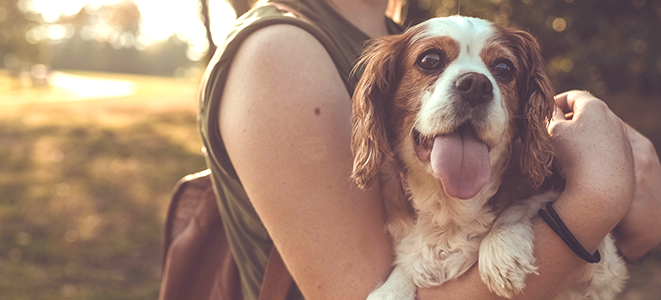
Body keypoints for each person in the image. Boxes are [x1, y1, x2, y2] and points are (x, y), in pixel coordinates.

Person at [197, 0, 661, 299]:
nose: (474, 82)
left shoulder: (403, 25)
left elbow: (639, 235)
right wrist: (598, 197)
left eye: (500, 70)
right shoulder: (277, 48)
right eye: (431, 62)